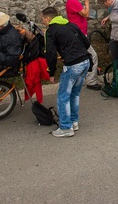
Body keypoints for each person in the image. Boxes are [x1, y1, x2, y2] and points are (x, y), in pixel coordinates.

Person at [40, 7, 91, 138]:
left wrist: (51, 72)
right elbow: (86, 42)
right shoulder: (71, 25)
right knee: (74, 94)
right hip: (85, 61)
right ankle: (74, 122)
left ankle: (65, 127)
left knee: (63, 96)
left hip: (73, 65)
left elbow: (50, 54)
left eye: (43, 19)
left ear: (47, 18)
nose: (43, 22)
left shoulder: (51, 30)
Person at [65, 0, 101, 90]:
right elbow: (85, 13)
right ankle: (90, 81)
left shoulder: (73, 1)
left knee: (83, 57)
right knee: (92, 56)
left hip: (79, 33)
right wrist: (87, 1)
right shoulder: (73, 1)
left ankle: (82, 78)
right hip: (79, 35)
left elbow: (82, 15)